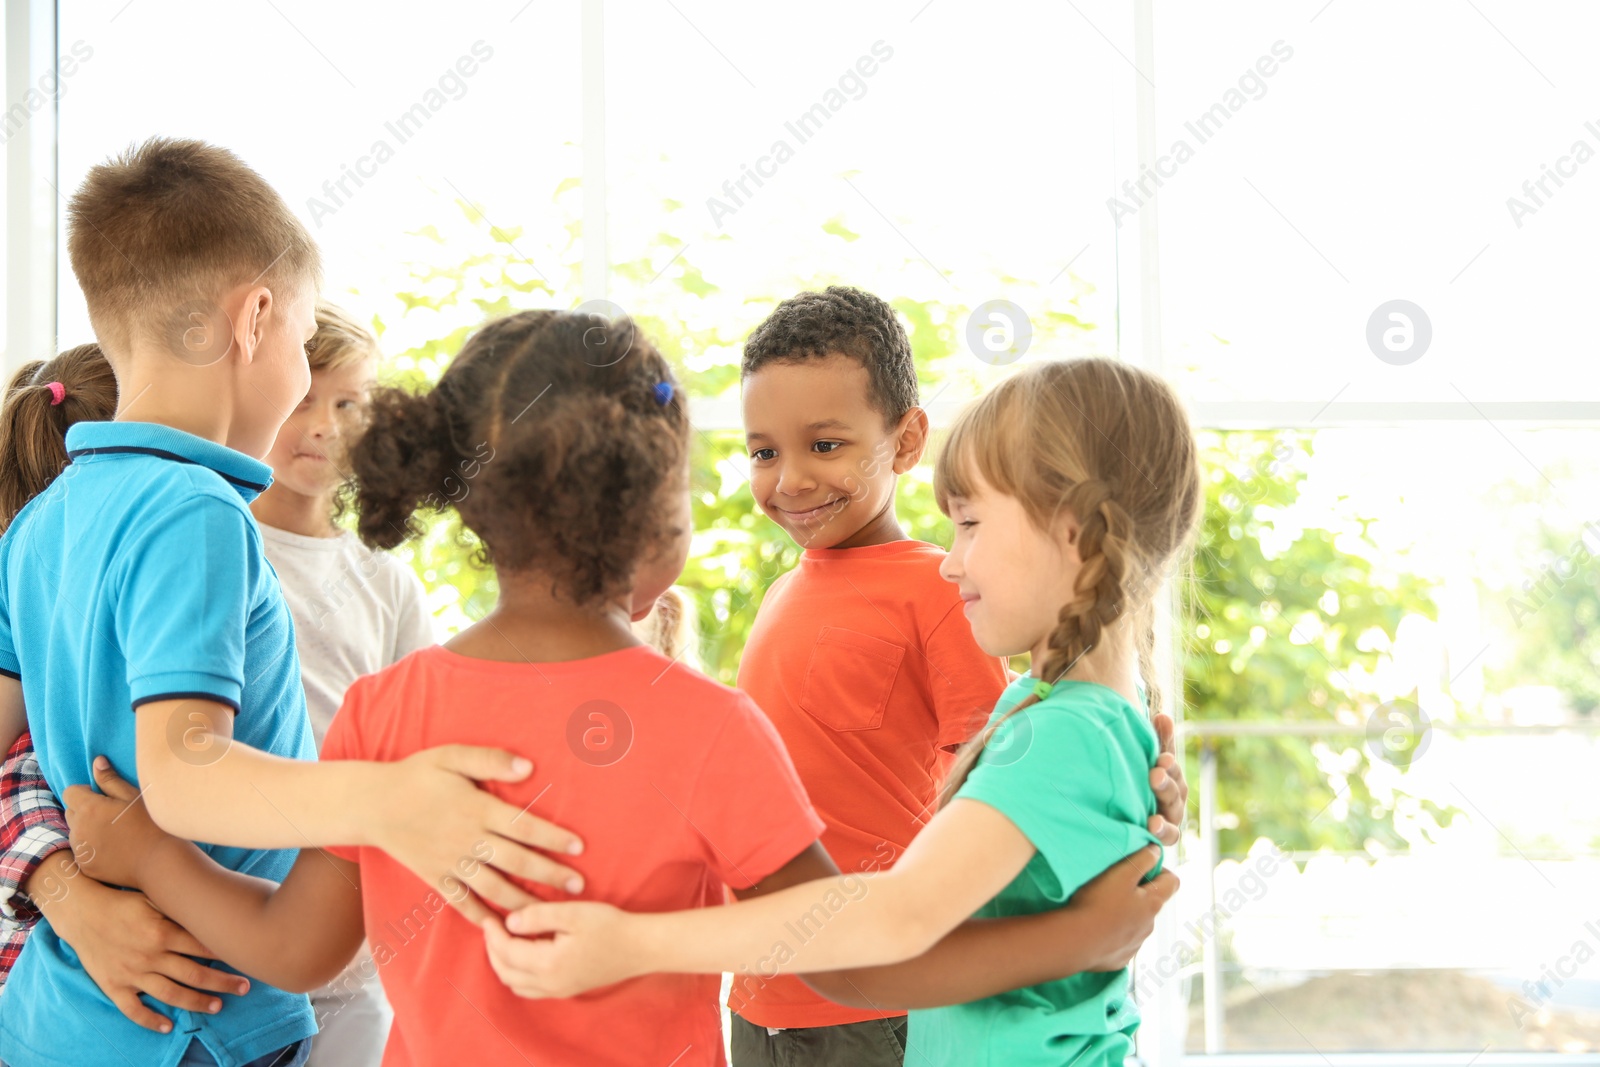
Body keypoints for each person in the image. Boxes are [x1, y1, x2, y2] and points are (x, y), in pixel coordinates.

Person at [65, 315, 1180, 1067]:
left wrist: (150, 849)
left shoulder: (387, 710)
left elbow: (299, 951)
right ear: (657, 520)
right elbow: (849, 959)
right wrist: (1080, 932)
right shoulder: (707, 727)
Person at [0, 140, 583, 1067]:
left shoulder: (39, 521)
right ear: (257, 318)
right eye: (305, 338)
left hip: (57, 1017)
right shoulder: (196, 508)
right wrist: (391, 799)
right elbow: (186, 773)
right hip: (198, 1022)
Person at [476, 356, 1205, 1067]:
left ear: (1073, 529)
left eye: (972, 523)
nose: (951, 562)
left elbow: (898, 915)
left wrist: (628, 943)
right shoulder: (1063, 707)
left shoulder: (1063, 729)